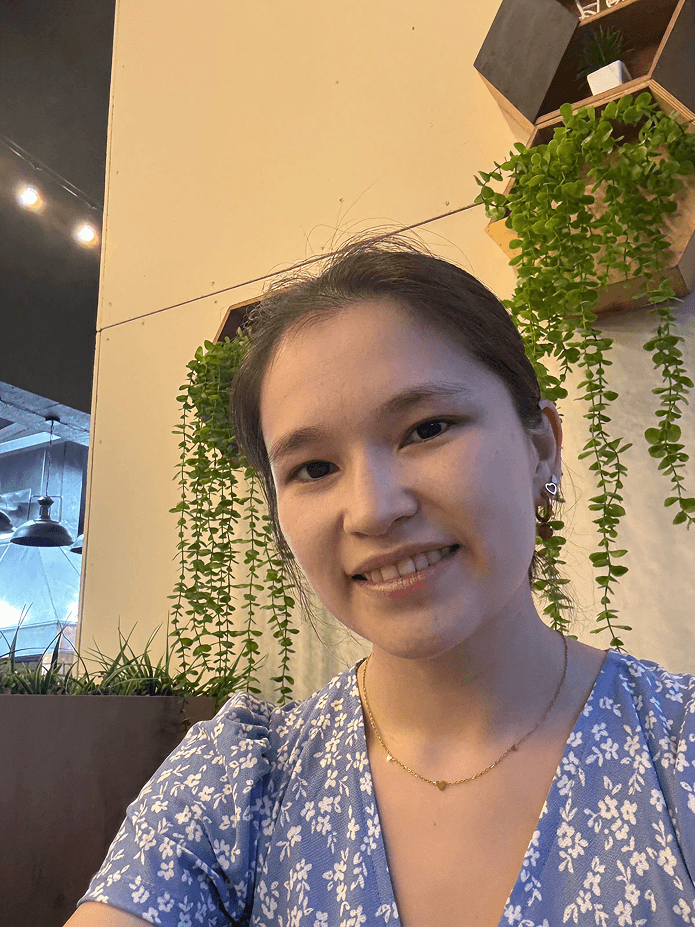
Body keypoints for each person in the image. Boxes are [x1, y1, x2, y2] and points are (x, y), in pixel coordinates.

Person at [66, 236, 695, 927]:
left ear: (539, 444)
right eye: (311, 468)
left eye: (426, 428)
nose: (373, 508)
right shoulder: (235, 786)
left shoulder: (675, 749)